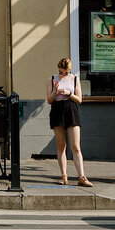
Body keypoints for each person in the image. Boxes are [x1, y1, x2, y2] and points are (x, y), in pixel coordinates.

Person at [46, 57, 90, 187]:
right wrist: (55, 91)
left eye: (66, 73)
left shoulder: (75, 79)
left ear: (70, 71)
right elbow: (49, 100)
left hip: (71, 110)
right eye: (61, 72)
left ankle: (81, 176)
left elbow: (79, 99)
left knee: (76, 146)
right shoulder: (52, 79)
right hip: (57, 110)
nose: (63, 75)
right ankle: (63, 175)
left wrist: (68, 93)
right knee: (61, 145)